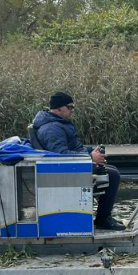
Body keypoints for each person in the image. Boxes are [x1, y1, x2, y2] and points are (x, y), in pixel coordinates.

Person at [31, 91, 124, 230]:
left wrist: (90, 151)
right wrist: (90, 157)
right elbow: (61, 156)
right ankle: (103, 219)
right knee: (112, 175)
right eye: (70, 107)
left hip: (76, 163)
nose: (72, 110)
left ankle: (103, 217)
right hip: (65, 171)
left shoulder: (57, 123)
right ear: (59, 108)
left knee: (112, 171)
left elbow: (71, 148)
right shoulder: (52, 128)